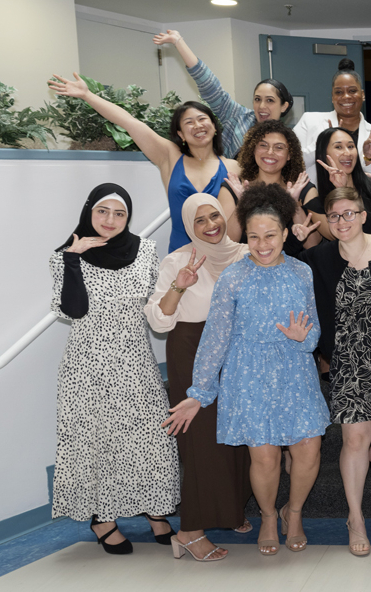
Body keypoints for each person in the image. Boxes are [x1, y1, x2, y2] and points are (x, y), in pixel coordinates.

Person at [163, 184, 330, 557]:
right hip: (249, 376)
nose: (262, 244)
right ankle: (269, 516)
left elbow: (314, 330)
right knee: (265, 456)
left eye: (270, 235)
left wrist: (303, 338)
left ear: (285, 234)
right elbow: (215, 339)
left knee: (308, 449)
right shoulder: (233, 277)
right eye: (254, 237)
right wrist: (199, 392)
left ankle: (293, 513)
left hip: (295, 372)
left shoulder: (302, 272)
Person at [50, 183, 180, 555]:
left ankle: (155, 508)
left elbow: (155, 306)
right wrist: (73, 260)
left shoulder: (146, 250)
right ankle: (102, 518)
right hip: (87, 365)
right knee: (98, 441)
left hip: (136, 360)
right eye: (103, 211)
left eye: (119, 213)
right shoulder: (64, 256)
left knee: (151, 438)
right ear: (89, 211)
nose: (110, 220)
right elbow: (74, 310)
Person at [293, 187, 371, 557]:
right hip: (347, 363)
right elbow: (284, 269)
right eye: (334, 216)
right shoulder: (319, 258)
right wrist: (295, 239)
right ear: (327, 222)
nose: (342, 221)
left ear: (362, 216)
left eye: (349, 214)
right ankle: (355, 516)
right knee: (355, 441)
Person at [145, 193, 252, 561]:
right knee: (203, 440)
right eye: (200, 220)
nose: (210, 225)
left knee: (237, 435)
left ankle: (229, 509)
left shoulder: (244, 254)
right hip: (192, 348)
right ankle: (190, 531)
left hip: (237, 350)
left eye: (214, 216)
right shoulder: (178, 261)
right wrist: (180, 285)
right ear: (189, 226)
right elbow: (160, 321)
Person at [48, 73, 239, 253]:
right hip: (180, 256)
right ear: (180, 134)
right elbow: (129, 122)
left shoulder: (233, 167)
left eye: (202, 119)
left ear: (214, 126)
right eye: (189, 122)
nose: (197, 125)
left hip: (221, 254)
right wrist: (87, 95)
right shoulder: (170, 156)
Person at [153, 29, 292, 157]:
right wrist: (178, 41)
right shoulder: (239, 117)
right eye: (257, 99)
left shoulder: (290, 138)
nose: (261, 106)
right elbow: (209, 85)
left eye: (270, 100)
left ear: (284, 106)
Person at [222, 120, 320, 253]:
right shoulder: (234, 188)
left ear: (289, 155)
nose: (270, 152)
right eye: (263, 145)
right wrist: (242, 203)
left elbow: (313, 245)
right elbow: (226, 243)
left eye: (279, 147)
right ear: (253, 149)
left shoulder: (304, 189)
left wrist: (295, 205)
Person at [292, 58, 371, 182]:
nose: (346, 97)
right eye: (339, 92)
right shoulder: (309, 121)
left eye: (352, 91)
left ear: (362, 95)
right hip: (314, 193)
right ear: (332, 97)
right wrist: (322, 143)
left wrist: (369, 157)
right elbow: (292, 163)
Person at [306, 127, 371, 238]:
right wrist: (342, 190)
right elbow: (342, 237)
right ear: (322, 155)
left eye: (350, 146)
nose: (347, 153)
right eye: (338, 147)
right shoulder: (317, 204)